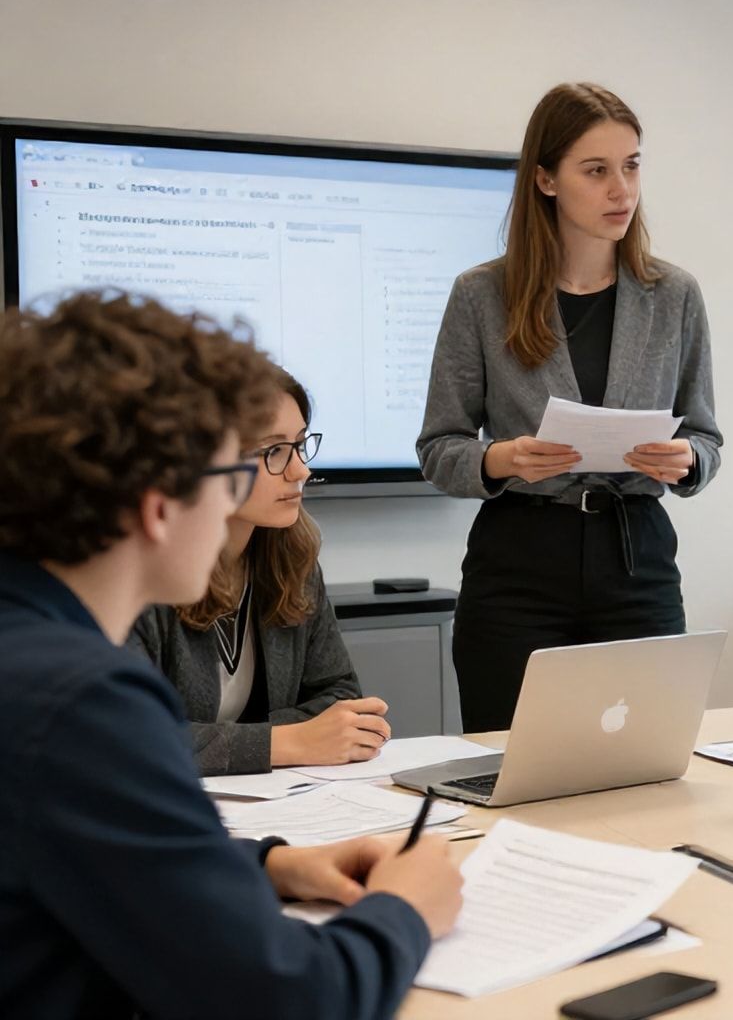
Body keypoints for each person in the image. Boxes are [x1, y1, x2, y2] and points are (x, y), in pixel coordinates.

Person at [0, 291, 462, 1017]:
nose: (233, 506)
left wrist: (269, 863)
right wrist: (406, 910)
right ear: (159, 506)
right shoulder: (80, 702)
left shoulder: (28, 642)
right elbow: (289, 997)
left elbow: (96, 856)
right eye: (229, 476)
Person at [419, 82, 722, 732]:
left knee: (647, 765)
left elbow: (706, 437)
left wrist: (686, 459)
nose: (622, 190)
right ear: (547, 180)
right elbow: (439, 448)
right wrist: (502, 458)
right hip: (519, 563)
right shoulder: (481, 295)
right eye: (597, 170)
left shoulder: (674, 296)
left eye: (632, 165)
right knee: (509, 772)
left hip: (635, 557)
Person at [130, 366, 392, 776]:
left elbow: (340, 697)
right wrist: (286, 741)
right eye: (273, 452)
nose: (300, 470)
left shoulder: (294, 558)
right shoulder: (142, 572)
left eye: (301, 445)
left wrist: (217, 742)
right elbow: (134, 736)